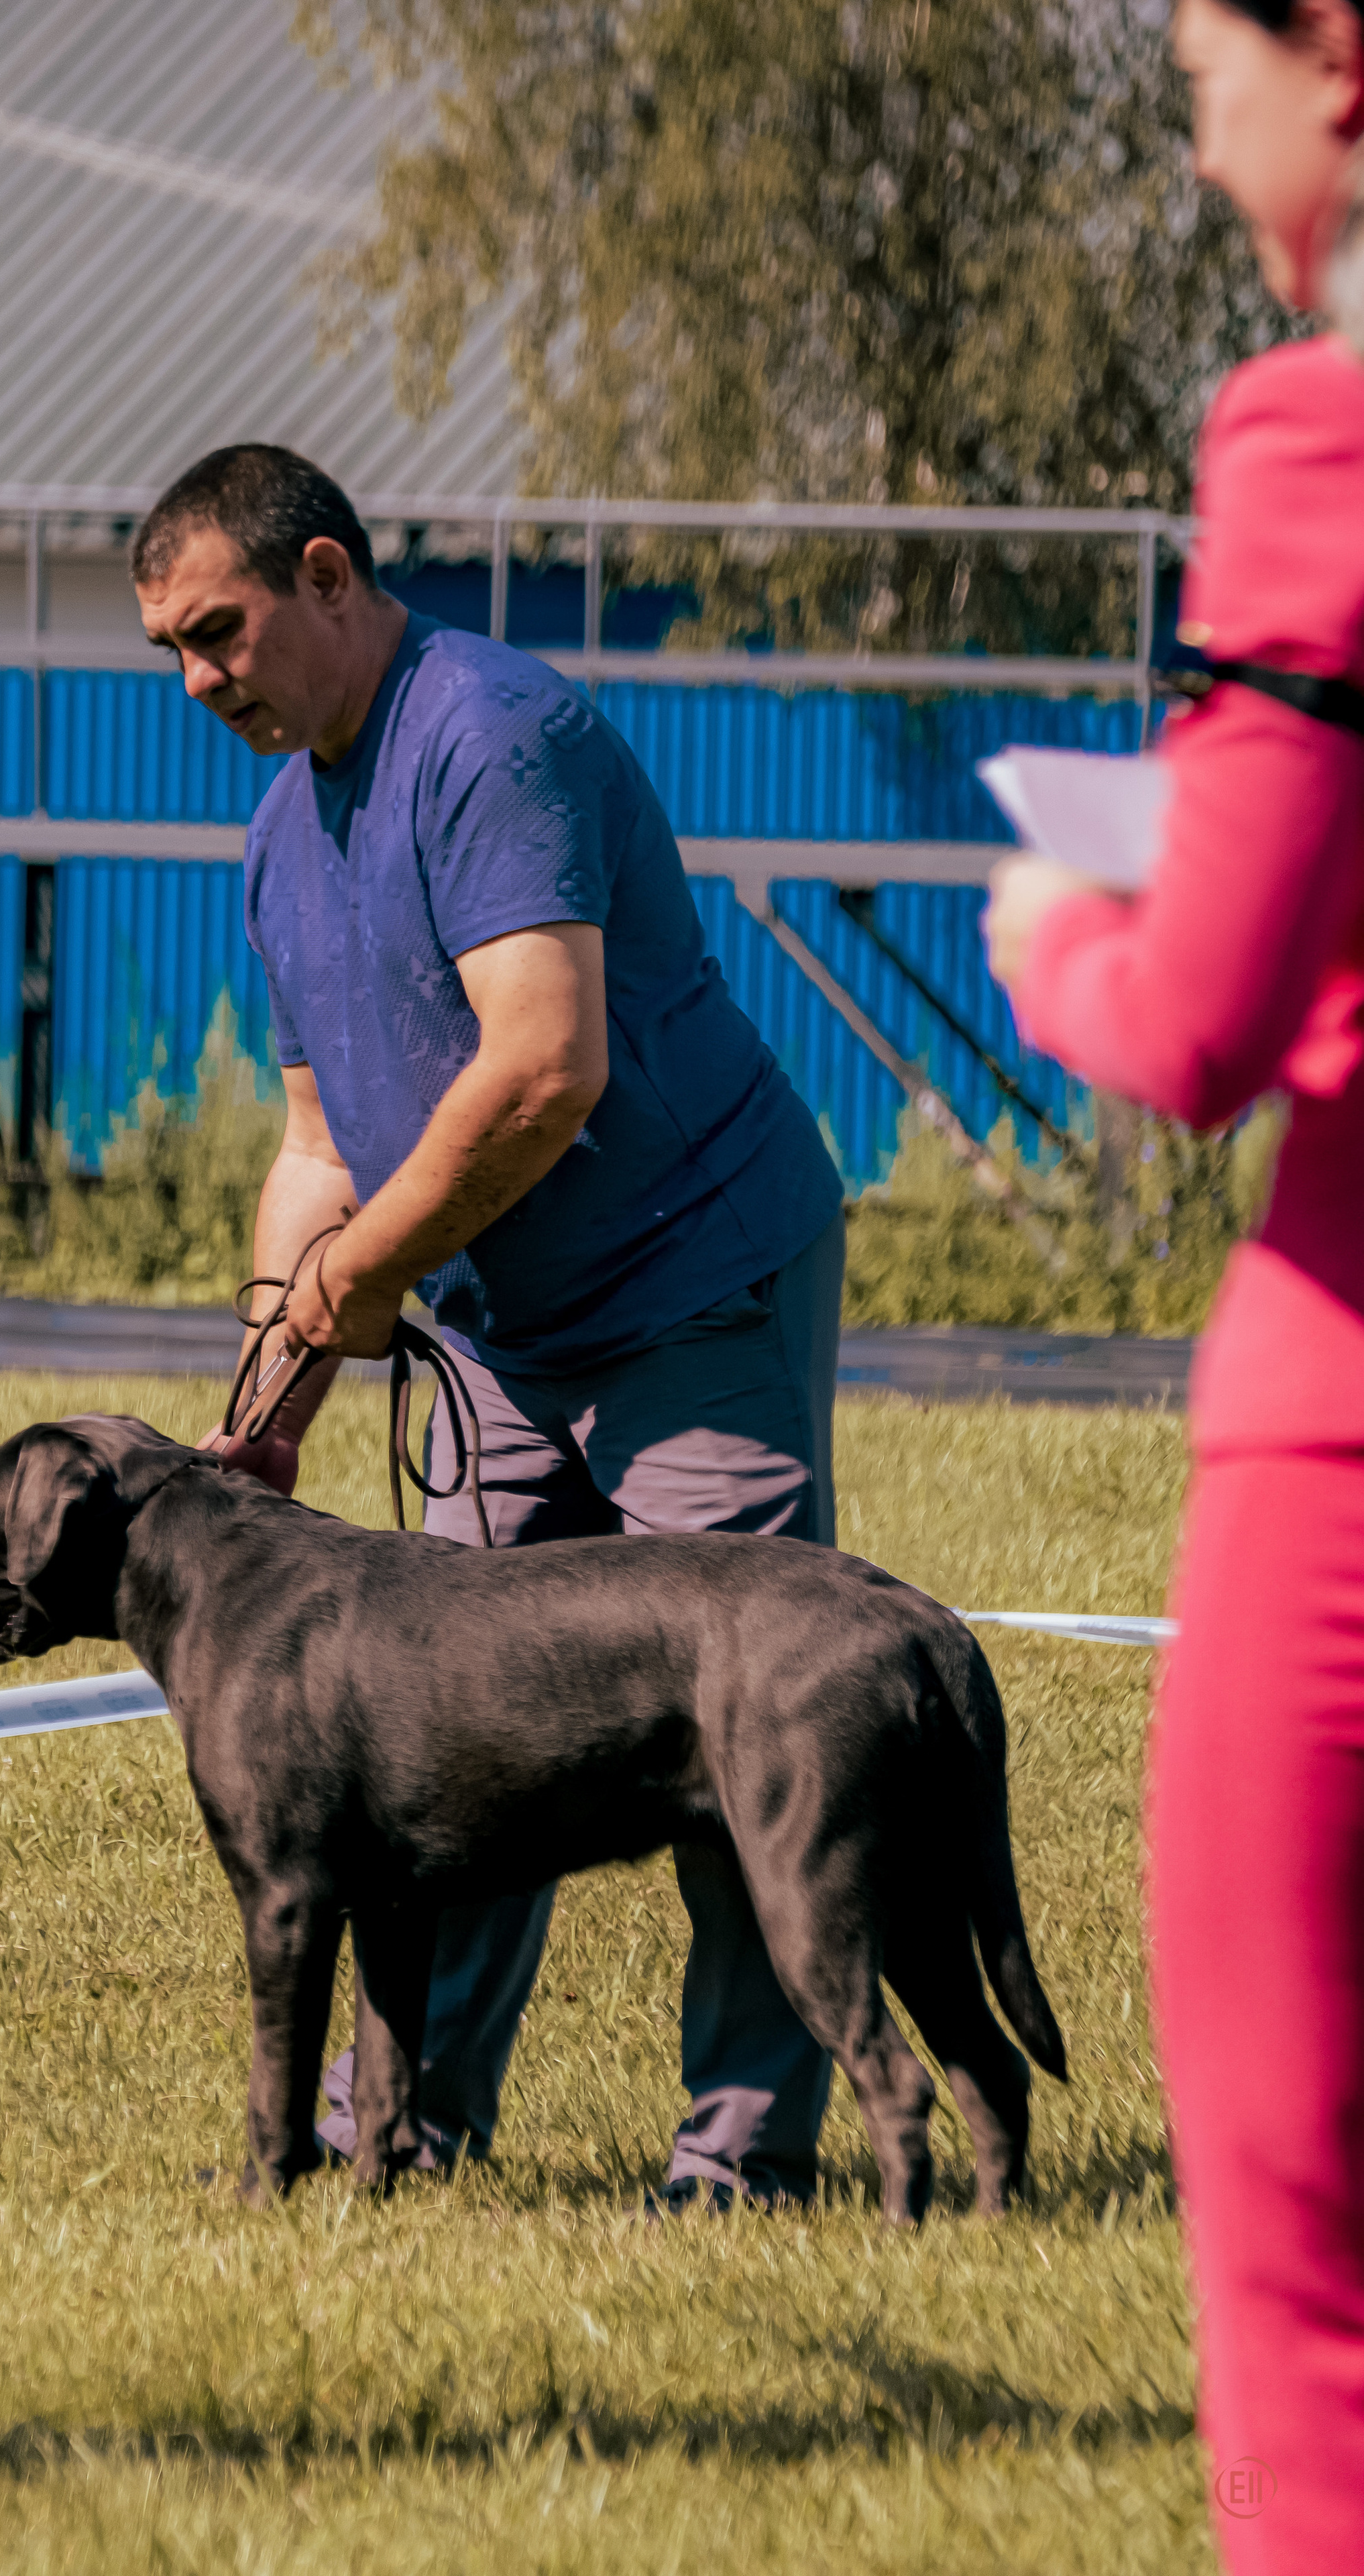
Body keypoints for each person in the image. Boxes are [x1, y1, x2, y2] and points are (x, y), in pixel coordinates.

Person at [131, 444, 847, 2209]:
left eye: (219, 631)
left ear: (323, 576)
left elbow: (545, 1065)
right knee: (447, 1738)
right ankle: (408, 2131)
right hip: (495, 1328)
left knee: (736, 1720)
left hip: (692, 1282)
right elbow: (316, 1142)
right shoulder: (284, 825)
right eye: (172, 652)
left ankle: (745, 2166)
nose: (203, 679)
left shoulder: (490, 734)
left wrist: (368, 1273)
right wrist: (275, 1381)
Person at [984, 4, 1364, 2565]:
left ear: (1333, 54)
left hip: (1344, 1451)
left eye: (1198, 56)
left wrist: (1054, 935)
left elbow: (1202, 1017)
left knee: (1305, 2288)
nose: (1192, 122)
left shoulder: (1316, 435)